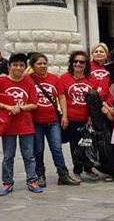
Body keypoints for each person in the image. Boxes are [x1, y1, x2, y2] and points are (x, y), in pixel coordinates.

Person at [29, 53, 79, 187]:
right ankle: (40, 175)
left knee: (57, 148)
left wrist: (64, 115)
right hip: (36, 121)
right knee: (38, 150)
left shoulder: (54, 79)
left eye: (44, 63)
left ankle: (63, 175)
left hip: (53, 120)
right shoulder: (28, 79)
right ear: (32, 65)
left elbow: (61, 97)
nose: (42, 66)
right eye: (39, 63)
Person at [0, 53, 41, 195]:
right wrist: (7, 107)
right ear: (9, 66)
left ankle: (32, 180)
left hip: (25, 124)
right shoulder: (2, 81)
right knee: (8, 156)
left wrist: (21, 108)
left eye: (21, 65)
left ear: (25, 67)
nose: (18, 67)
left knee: (29, 155)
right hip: (8, 125)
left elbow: (34, 104)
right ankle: (7, 182)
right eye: (15, 64)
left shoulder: (29, 82)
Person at [58, 51, 102, 182]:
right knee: (75, 145)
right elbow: (62, 99)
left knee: (87, 143)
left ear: (86, 64)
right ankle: (77, 169)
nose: (78, 64)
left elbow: (94, 101)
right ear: (72, 63)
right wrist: (64, 116)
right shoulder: (64, 78)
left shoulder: (91, 80)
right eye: (76, 61)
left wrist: (91, 117)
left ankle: (88, 168)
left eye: (82, 62)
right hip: (72, 118)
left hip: (86, 118)